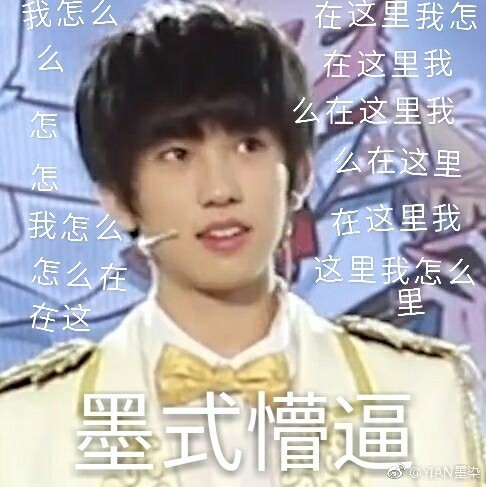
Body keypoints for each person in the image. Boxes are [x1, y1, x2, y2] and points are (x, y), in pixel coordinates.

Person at [0, 1, 484, 486]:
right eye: (178, 154)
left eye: (249, 146)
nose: (220, 190)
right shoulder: (31, 424)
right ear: (117, 200)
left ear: (300, 175)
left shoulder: (420, 393)